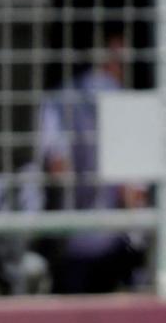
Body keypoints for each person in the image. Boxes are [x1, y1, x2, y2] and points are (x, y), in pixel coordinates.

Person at [36, 26, 147, 293]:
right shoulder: (127, 104)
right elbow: (133, 195)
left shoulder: (57, 101)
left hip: (70, 242)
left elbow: (58, 169)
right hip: (110, 245)